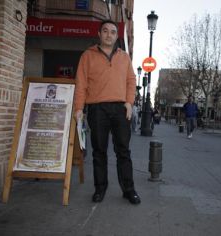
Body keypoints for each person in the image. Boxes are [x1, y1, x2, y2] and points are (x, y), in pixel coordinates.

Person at [74, 20, 140, 205]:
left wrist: (129, 102)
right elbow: (81, 83)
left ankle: (129, 190)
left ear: (116, 36)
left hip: (120, 109)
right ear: (99, 34)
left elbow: (131, 80)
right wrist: (79, 108)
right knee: (99, 151)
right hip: (97, 109)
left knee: (123, 152)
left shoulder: (124, 57)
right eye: (105, 31)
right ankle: (100, 189)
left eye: (112, 32)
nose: (109, 35)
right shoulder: (87, 55)